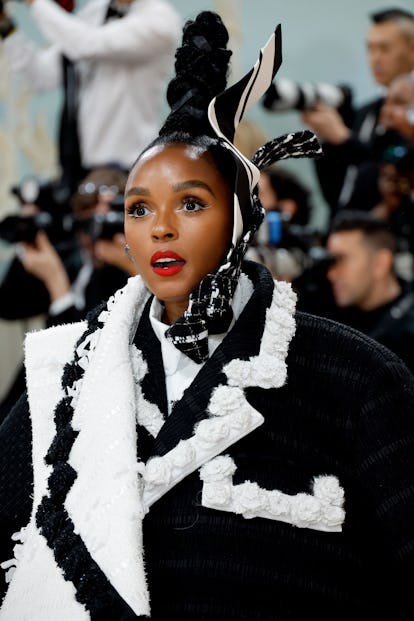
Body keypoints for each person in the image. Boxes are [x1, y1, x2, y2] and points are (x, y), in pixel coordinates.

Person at [1, 11, 414, 620]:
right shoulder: (63, 373)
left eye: (190, 202)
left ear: (242, 217)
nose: (160, 227)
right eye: (137, 209)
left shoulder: (358, 377)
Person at [0, 0, 181, 195]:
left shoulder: (160, 19)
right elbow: (41, 76)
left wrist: (36, 3)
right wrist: (6, 26)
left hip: (123, 171)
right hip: (76, 170)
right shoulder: (96, 11)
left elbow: (87, 44)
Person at [302, 7, 414, 214]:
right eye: (370, 49)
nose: (375, 58)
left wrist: (344, 140)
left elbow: (389, 172)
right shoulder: (366, 113)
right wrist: (327, 141)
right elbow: (340, 192)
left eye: (384, 48)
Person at [326, 210, 414, 372]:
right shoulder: (332, 310)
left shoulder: (407, 334)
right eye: (331, 261)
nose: (331, 273)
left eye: (341, 259)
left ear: (380, 263)